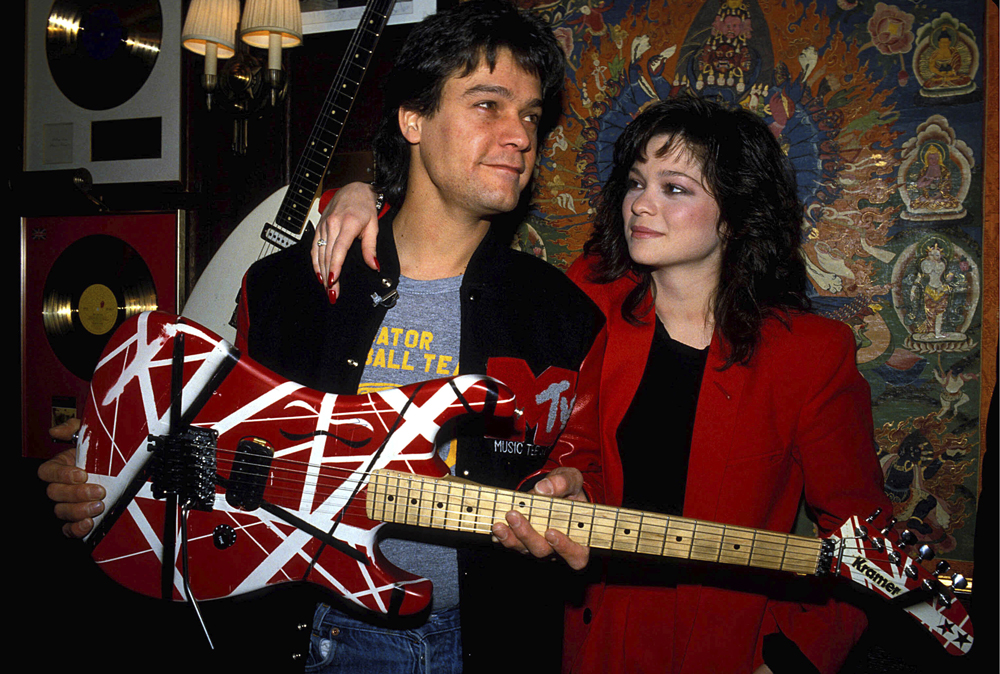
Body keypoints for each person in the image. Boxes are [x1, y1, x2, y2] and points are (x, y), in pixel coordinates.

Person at [38, 2, 603, 672]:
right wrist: (108, 478)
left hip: (496, 642)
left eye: (533, 115)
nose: (521, 136)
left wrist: (577, 493)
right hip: (314, 635)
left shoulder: (564, 316)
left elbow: (585, 462)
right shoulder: (285, 291)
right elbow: (214, 452)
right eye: (489, 105)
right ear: (412, 118)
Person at [320, 96, 892, 674]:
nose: (640, 204)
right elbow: (569, 446)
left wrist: (788, 662)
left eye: (675, 189)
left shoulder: (810, 353)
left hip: (724, 647)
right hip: (583, 640)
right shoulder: (587, 302)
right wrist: (359, 194)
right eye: (636, 182)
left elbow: (870, 542)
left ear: (738, 214)